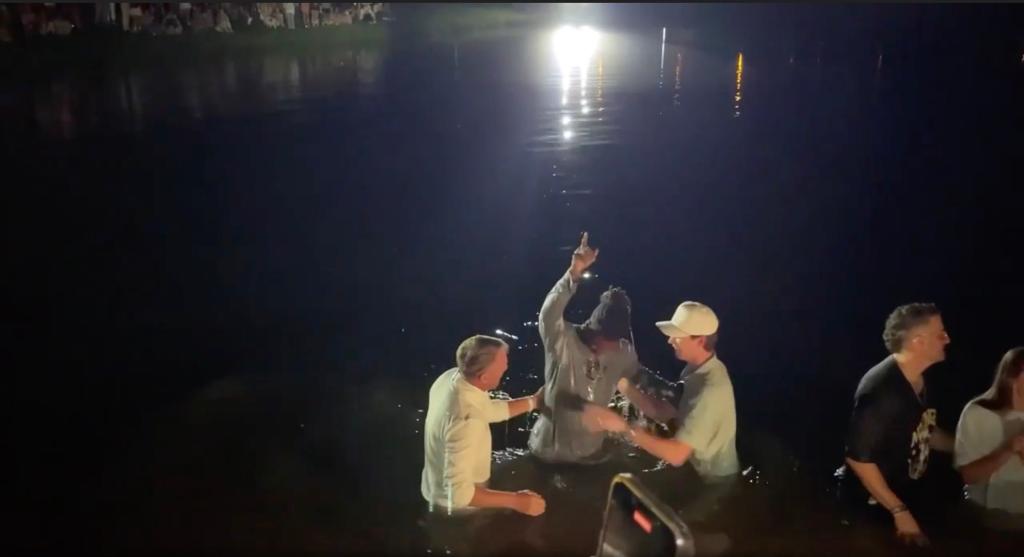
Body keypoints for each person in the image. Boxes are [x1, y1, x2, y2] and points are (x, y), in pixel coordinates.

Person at [839, 303, 955, 546]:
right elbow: (858, 458)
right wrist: (899, 511)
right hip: (872, 507)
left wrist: (964, 447)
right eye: (940, 333)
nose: (947, 339)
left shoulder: (919, 379)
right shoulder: (882, 389)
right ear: (918, 341)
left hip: (902, 497)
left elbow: (923, 432)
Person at [528, 232, 648, 464]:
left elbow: (640, 380)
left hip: (590, 454)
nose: (611, 349)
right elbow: (548, 313)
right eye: (607, 341)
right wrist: (575, 271)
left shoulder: (623, 351)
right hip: (546, 452)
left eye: (618, 342)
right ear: (594, 330)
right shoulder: (562, 339)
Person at [585, 301, 739, 479]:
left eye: (677, 336)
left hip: (711, 480)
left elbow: (676, 456)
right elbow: (666, 412)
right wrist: (620, 382)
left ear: (701, 340)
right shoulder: (698, 369)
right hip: (694, 466)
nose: (670, 340)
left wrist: (623, 427)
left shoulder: (710, 390)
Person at [421, 335, 546, 516]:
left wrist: (534, 401)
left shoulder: (450, 378)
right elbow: (458, 495)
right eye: (502, 366)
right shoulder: (466, 422)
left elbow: (485, 409)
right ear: (485, 378)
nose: (507, 366)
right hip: (458, 509)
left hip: (435, 487)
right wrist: (517, 501)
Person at [955, 347, 1024, 515]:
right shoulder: (978, 414)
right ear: (1012, 378)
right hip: (991, 515)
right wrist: (1007, 450)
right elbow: (970, 476)